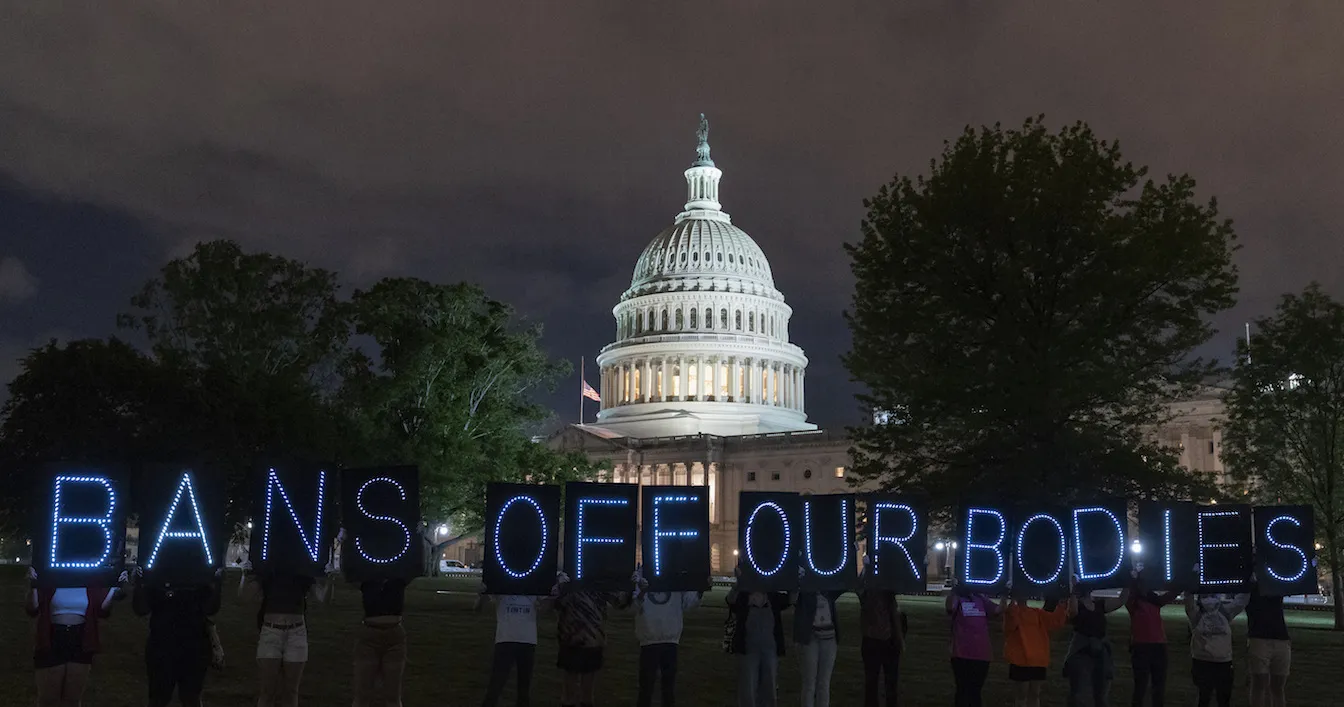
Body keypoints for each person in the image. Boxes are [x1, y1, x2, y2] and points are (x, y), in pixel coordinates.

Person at [26, 567, 129, 707]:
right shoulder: (50, 576)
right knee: (48, 700)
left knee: (72, 700)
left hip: (80, 639)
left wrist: (116, 587)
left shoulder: (91, 580)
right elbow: (32, 609)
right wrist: (34, 585)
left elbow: (102, 609)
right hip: (52, 638)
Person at [239, 560, 335, 707]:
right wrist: (244, 576)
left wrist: (330, 580)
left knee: (291, 691)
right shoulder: (268, 570)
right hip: (271, 632)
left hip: (296, 632)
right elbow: (244, 596)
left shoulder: (303, 572)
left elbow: (323, 599)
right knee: (267, 691)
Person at [132, 566, 224, 707]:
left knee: (189, 697)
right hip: (164, 647)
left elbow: (211, 609)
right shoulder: (157, 580)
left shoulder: (199, 581)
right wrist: (138, 585)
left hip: (191, 647)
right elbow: (141, 609)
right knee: (160, 698)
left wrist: (217, 585)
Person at [629, 566, 703, 707]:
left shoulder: (675, 573)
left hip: (668, 639)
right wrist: (641, 592)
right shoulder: (640, 575)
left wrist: (701, 589)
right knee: (648, 689)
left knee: (666, 690)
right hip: (651, 639)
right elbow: (632, 607)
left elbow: (688, 602)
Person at [554, 571, 629, 707]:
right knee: (570, 693)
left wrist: (629, 585)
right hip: (573, 639)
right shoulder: (566, 578)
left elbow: (619, 602)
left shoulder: (600, 580)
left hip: (590, 640)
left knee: (586, 694)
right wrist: (562, 587)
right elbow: (555, 603)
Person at [477, 580, 555, 707]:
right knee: (497, 683)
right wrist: (482, 595)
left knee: (523, 687)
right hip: (507, 639)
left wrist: (551, 598)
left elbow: (546, 608)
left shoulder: (534, 583)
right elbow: (479, 607)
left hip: (526, 640)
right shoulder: (500, 582)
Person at [1003, 578, 1075, 707]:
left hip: (1037, 659)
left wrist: (1062, 603)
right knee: (1022, 695)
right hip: (1021, 660)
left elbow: (1056, 621)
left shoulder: (1037, 613)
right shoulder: (1013, 612)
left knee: (1035, 694)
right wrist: (1011, 600)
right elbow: (1009, 625)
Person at [727, 564, 792, 707]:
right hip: (748, 648)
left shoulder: (773, 596)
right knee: (747, 689)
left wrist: (795, 580)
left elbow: (790, 599)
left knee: (769, 688)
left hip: (769, 649)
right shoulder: (743, 596)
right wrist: (739, 583)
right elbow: (731, 600)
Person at [1063, 582, 1129, 707]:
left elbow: (1121, 600)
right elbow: (1072, 612)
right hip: (1081, 653)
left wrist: (1127, 581)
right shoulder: (1077, 605)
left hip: (1100, 654)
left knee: (1101, 693)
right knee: (1080, 693)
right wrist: (1073, 592)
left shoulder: (1099, 605)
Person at [1185, 589, 1250, 707]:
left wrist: (1188, 583)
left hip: (1202, 661)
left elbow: (1188, 598)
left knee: (1203, 698)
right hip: (1222, 661)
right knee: (1222, 700)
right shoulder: (1225, 611)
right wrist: (1249, 581)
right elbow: (1242, 600)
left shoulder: (1195, 613)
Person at [353, 576, 410, 707]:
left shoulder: (398, 578)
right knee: (363, 694)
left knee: (393, 695)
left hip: (391, 636)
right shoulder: (368, 580)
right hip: (372, 635)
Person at [1125, 567, 1177, 707]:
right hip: (1146, 646)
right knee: (1142, 687)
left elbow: (1169, 596)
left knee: (1155, 687)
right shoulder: (1136, 601)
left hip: (1152, 646)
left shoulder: (1147, 600)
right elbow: (1168, 596)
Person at [858, 557, 906, 707]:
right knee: (874, 681)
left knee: (886, 681)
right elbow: (858, 586)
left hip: (885, 641)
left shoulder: (887, 593)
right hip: (875, 640)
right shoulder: (869, 593)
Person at [944, 581, 1001, 707]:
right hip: (961, 654)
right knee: (962, 690)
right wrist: (953, 591)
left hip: (982, 654)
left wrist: (1006, 595)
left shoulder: (981, 598)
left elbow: (997, 610)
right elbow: (949, 608)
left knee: (975, 692)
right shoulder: (958, 599)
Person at [794, 583, 845, 707]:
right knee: (810, 683)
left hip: (829, 638)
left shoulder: (829, 589)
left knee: (823, 683)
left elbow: (846, 583)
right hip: (810, 638)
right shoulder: (804, 589)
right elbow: (793, 597)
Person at [1245, 573, 1289, 707]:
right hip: (1259, 638)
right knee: (1259, 683)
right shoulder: (1248, 585)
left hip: (1280, 638)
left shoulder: (1277, 581)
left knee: (1278, 686)